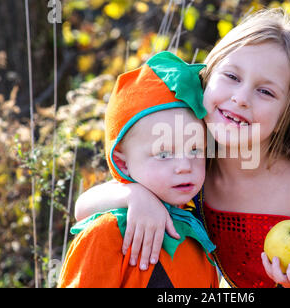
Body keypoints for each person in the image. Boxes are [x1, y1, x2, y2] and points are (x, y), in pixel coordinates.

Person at [74, 8, 290, 288]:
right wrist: (135, 195)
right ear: (208, 75)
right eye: (231, 76)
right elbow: (84, 207)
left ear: (288, 111)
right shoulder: (194, 160)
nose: (241, 97)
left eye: (265, 92)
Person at [58, 51, 218, 288]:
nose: (185, 166)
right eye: (163, 154)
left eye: (196, 150)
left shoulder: (199, 221)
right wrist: (135, 195)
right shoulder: (108, 232)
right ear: (122, 164)